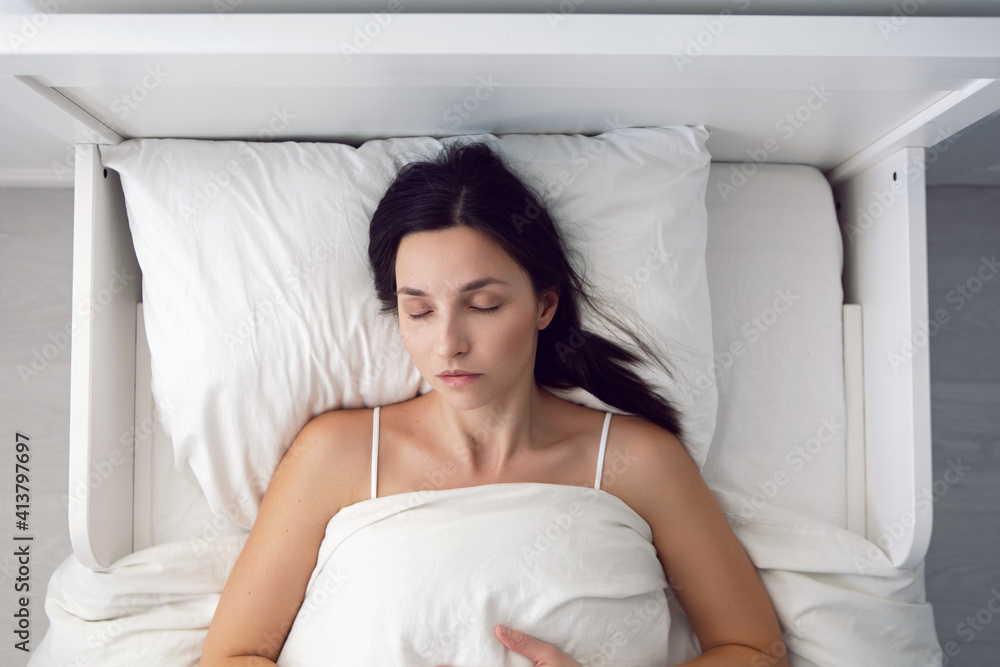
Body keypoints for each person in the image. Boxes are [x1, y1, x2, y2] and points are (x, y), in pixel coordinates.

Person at [199, 140, 790, 667]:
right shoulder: (339, 453)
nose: (448, 344)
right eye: (420, 310)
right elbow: (232, 655)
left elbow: (756, 650)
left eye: (482, 305)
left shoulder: (638, 459)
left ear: (544, 306)